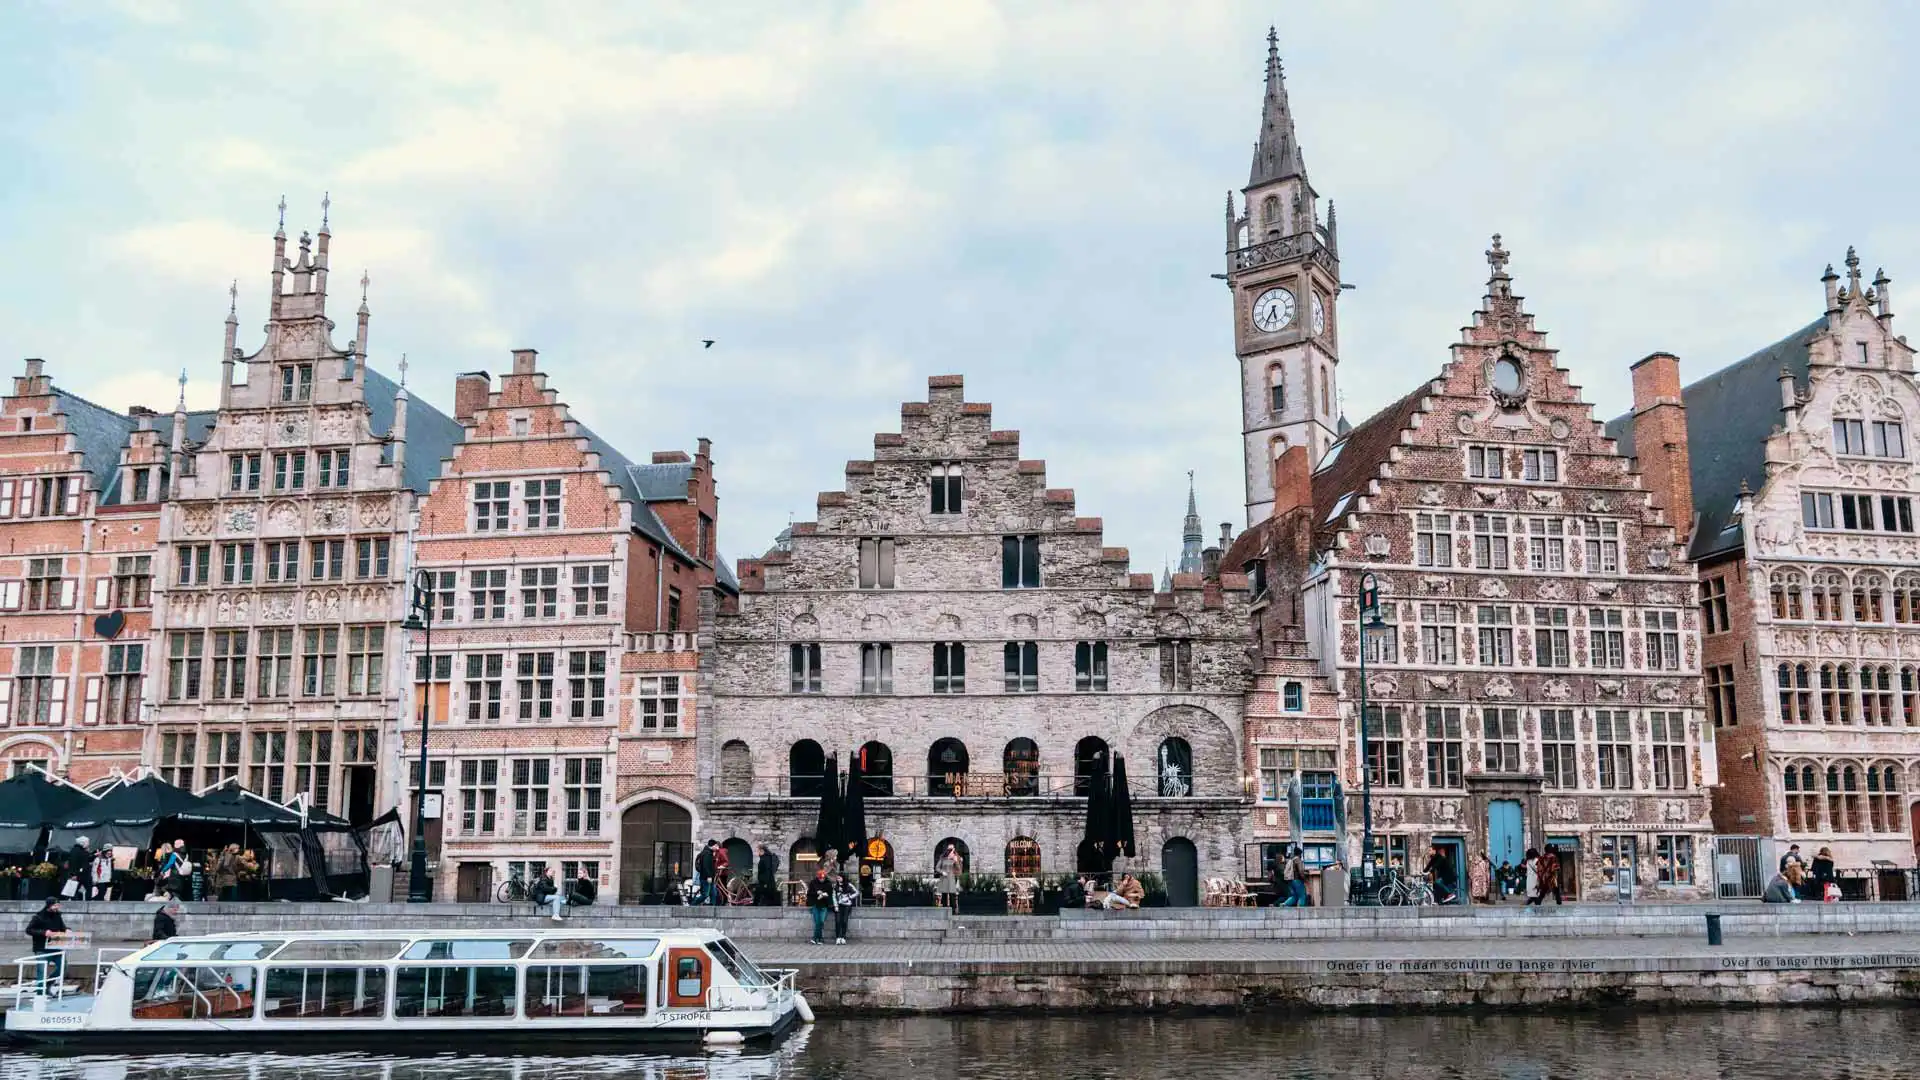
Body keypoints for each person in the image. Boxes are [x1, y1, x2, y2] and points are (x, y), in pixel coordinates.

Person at [24, 897, 67, 992]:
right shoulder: (38, 917)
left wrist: (67, 930)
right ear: (49, 905)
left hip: (55, 947)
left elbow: (62, 928)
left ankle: (48, 983)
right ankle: (40, 992)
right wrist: (44, 933)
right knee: (41, 971)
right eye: (55, 905)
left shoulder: (58, 916)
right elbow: (29, 930)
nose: (57, 907)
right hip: (41, 948)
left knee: (63, 967)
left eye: (58, 905)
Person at [806, 868, 833, 945]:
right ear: (818, 877)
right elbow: (809, 893)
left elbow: (830, 894)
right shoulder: (813, 883)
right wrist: (816, 892)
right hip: (816, 905)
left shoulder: (828, 883)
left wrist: (825, 895)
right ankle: (820, 939)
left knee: (821, 921)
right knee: (817, 922)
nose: (822, 880)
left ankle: (815, 938)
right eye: (820, 878)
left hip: (824, 905)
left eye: (823, 878)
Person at [831, 871, 859, 945]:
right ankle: (838, 937)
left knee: (844, 921)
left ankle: (843, 937)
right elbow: (833, 896)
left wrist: (849, 897)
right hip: (838, 906)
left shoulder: (849, 885)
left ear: (843, 878)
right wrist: (836, 906)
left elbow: (856, 892)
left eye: (839, 878)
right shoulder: (835, 886)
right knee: (837, 921)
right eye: (837, 878)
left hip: (847, 905)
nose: (838, 879)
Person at [63, 836, 93, 901]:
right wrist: (74, 874)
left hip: (81, 874)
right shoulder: (77, 851)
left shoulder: (79, 850)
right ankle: (75, 901)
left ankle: (73, 901)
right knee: (77, 889)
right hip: (80, 874)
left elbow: (86, 860)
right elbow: (74, 863)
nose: (88, 844)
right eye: (87, 842)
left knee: (75, 889)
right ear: (83, 843)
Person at [935, 844, 962, 909]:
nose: (949, 851)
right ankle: (944, 910)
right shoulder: (943, 857)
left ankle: (953, 910)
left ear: (954, 849)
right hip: (944, 877)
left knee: (952, 894)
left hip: (952, 878)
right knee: (944, 894)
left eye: (951, 849)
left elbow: (959, 869)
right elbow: (937, 868)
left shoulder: (956, 857)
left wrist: (956, 861)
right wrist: (942, 872)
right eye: (948, 849)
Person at [694, 841, 718, 906]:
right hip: (706, 878)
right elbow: (706, 866)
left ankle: (713, 906)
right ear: (712, 846)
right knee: (705, 894)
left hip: (708, 878)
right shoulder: (707, 854)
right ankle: (693, 904)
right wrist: (709, 876)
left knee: (713, 893)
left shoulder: (709, 853)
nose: (717, 847)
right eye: (716, 846)